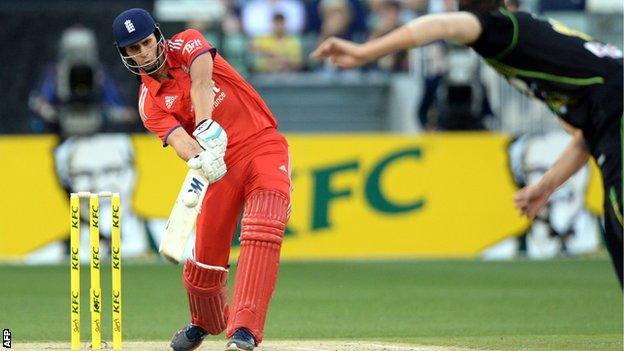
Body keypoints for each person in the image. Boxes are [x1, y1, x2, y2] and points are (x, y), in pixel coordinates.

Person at [311, 0, 623, 287]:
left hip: (617, 104)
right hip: (610, 112)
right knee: (614, 223)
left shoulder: (501, 27)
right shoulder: (547, 57)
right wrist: (545, 186)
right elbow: (585, 136)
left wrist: (365, 52)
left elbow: (442, 26)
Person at [112, 8, 292, 351]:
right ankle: (205, 321)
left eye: (145, 43)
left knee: (264, 224)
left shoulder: (187, 42)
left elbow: (201, 81)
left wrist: (206, 124)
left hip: (261, 145)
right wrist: (200, 157)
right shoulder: (148, 102)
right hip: (218, 166)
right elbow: (179, 140)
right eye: (131, 50)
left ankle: (244, 330)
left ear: (158, 36)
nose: (142, 53)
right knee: (205, 260)